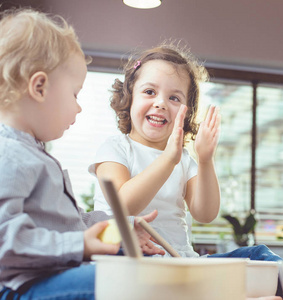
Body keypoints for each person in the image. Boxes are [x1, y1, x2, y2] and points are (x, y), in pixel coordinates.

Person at [89, 43, 283, 298]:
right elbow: (123, 204)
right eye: (149, 91)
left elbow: (205, 212)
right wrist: (169, 159)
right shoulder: (115, 148)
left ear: (187, 111)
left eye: (174, 98)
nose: (160, 103)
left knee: (260, 256)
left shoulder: (184, 159)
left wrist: (205, 159)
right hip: (132, 262)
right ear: (129, 98)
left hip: (182, 263)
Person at [0, 8, 164, 300]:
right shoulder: (9, 155)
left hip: (49, 277)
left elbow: (71, 223)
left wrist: (121, 230)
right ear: (39, 87)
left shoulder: (33, 154)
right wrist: (79, 245)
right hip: (24, 286)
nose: (78, 107)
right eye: (75, 94)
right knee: (138, 280)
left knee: (150, 271)